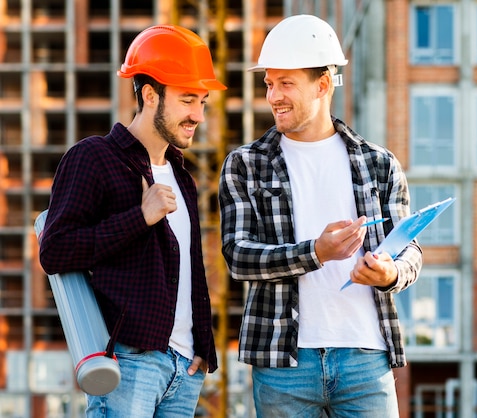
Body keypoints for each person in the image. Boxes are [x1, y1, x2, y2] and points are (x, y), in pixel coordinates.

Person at [218, 14, 423, 418]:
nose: (273, 95)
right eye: (269, 84)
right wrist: (316, 252)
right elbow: (237, 257)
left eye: (286, 83)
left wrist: (390, 274)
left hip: (366, 358)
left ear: (323, 85)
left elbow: (410, 249)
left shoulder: (378, 163)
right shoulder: (246, 164)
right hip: (283, 363)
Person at [38, 24, 226, 417]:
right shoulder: (94, 158)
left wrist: (203, 349)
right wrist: (139, 218)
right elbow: (55, 251)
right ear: (150, 94)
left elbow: (190, 270)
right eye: (188, 99)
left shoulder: (183, 176)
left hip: (184, 368)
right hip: (130, 364)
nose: (199, 115)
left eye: (203, 102)